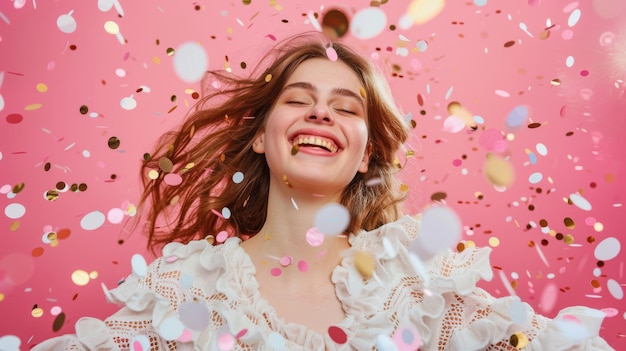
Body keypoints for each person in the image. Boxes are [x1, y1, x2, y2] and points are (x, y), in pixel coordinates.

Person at [32, 32, 614, 351]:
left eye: (345, 107)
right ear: (261, 135)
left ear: (365, 155)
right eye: (298, 98)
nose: (320, 112)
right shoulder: (186, 294)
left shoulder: (419, 286)